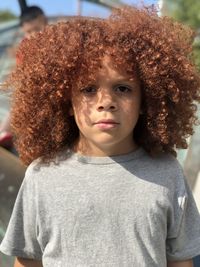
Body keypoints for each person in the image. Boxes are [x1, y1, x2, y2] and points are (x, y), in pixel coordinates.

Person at [0, 6, 200, 267]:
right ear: (66, 101)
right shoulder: (41, 176)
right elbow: (26, 261)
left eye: (123, 88)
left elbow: (181, 261)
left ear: (146, 100)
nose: (106, 102)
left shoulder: (168, 174)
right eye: (88, 88)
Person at [0, 5, 47, 150]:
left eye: (37, 29)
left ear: (45, 22)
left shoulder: (53, 41)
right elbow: (22, 69)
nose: (33, 34)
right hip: (32, 84)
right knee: (19, 102)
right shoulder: (25, 46)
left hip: (49, 83)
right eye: (28, 32)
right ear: (22, 31)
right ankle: (4, 132)